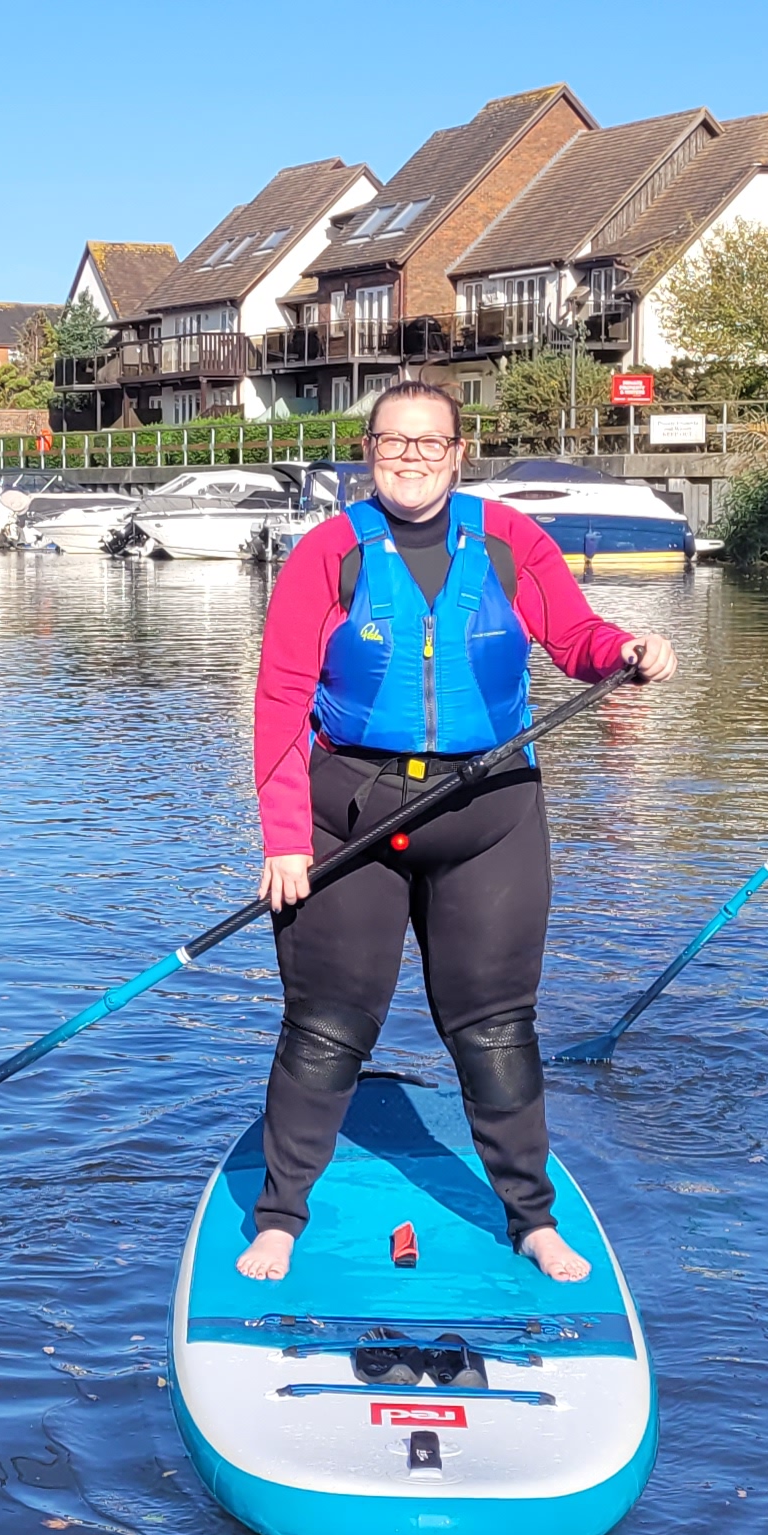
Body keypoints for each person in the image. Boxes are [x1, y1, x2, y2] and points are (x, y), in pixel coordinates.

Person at [240, 380, 676, 1284]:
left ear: (457, 452)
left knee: (495, 1027)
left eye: (428, 443)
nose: (411, 458)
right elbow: (281, 700)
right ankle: (281, 1215)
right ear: (368, 451)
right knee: (325, 1025)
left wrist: (625, 652)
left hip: (489, 812)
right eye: (393, 443)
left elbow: (575, 636)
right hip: (349, 814)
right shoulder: (327, 553)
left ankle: (531, 1218)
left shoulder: (513, 541)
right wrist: (285, 837)